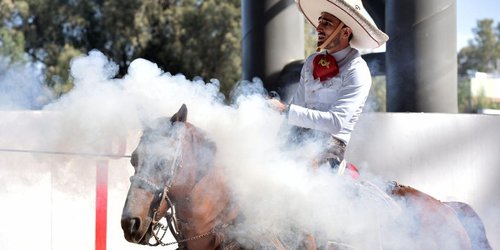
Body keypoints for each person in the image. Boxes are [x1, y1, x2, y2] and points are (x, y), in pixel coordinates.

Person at [270, 0, 388, 171]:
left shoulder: (358, 70)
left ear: (345, 32)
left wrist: (285, 110)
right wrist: (278, 145)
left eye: (326, 23)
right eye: (319, 21)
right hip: (296, 139)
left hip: (328, 148)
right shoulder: (311, 62)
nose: (318, 28)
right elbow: (297, 105)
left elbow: (335, 123)